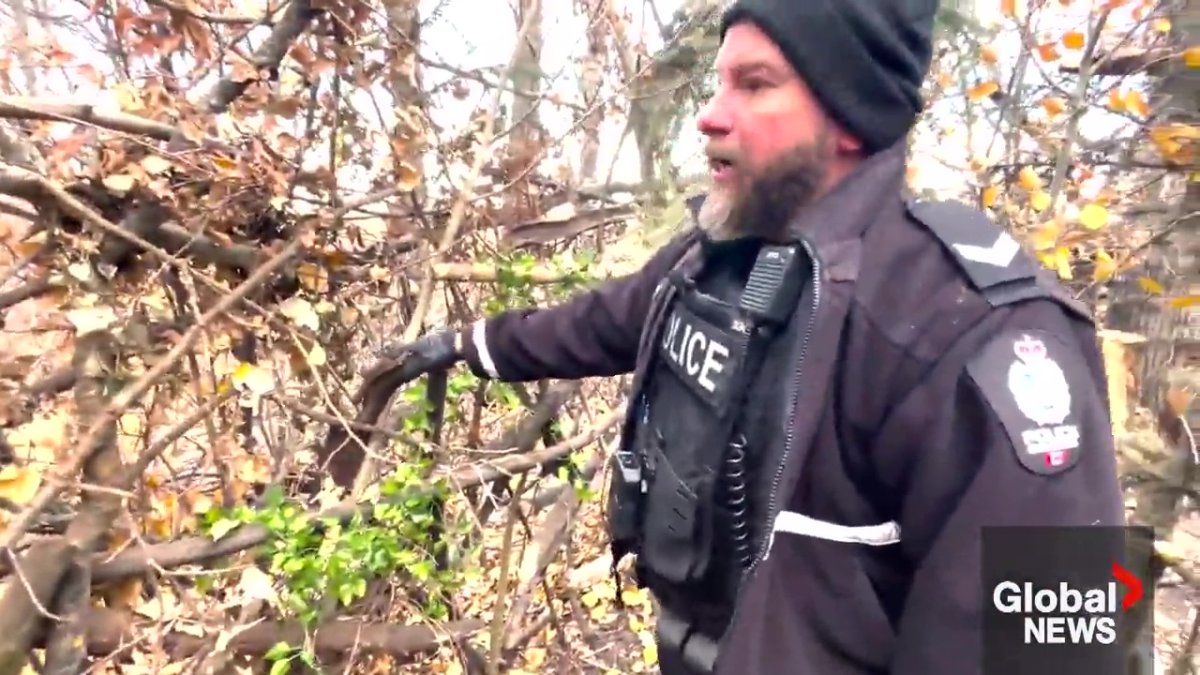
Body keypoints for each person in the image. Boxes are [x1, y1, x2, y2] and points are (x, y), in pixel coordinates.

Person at [364, 1, 1127, 673]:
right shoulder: (724, 255)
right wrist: (470, 342)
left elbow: (1050, 644)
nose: (710, 113)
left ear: (850, 114)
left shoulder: (973, 327)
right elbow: (612, 317)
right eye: (719, 80)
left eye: (754, 84)